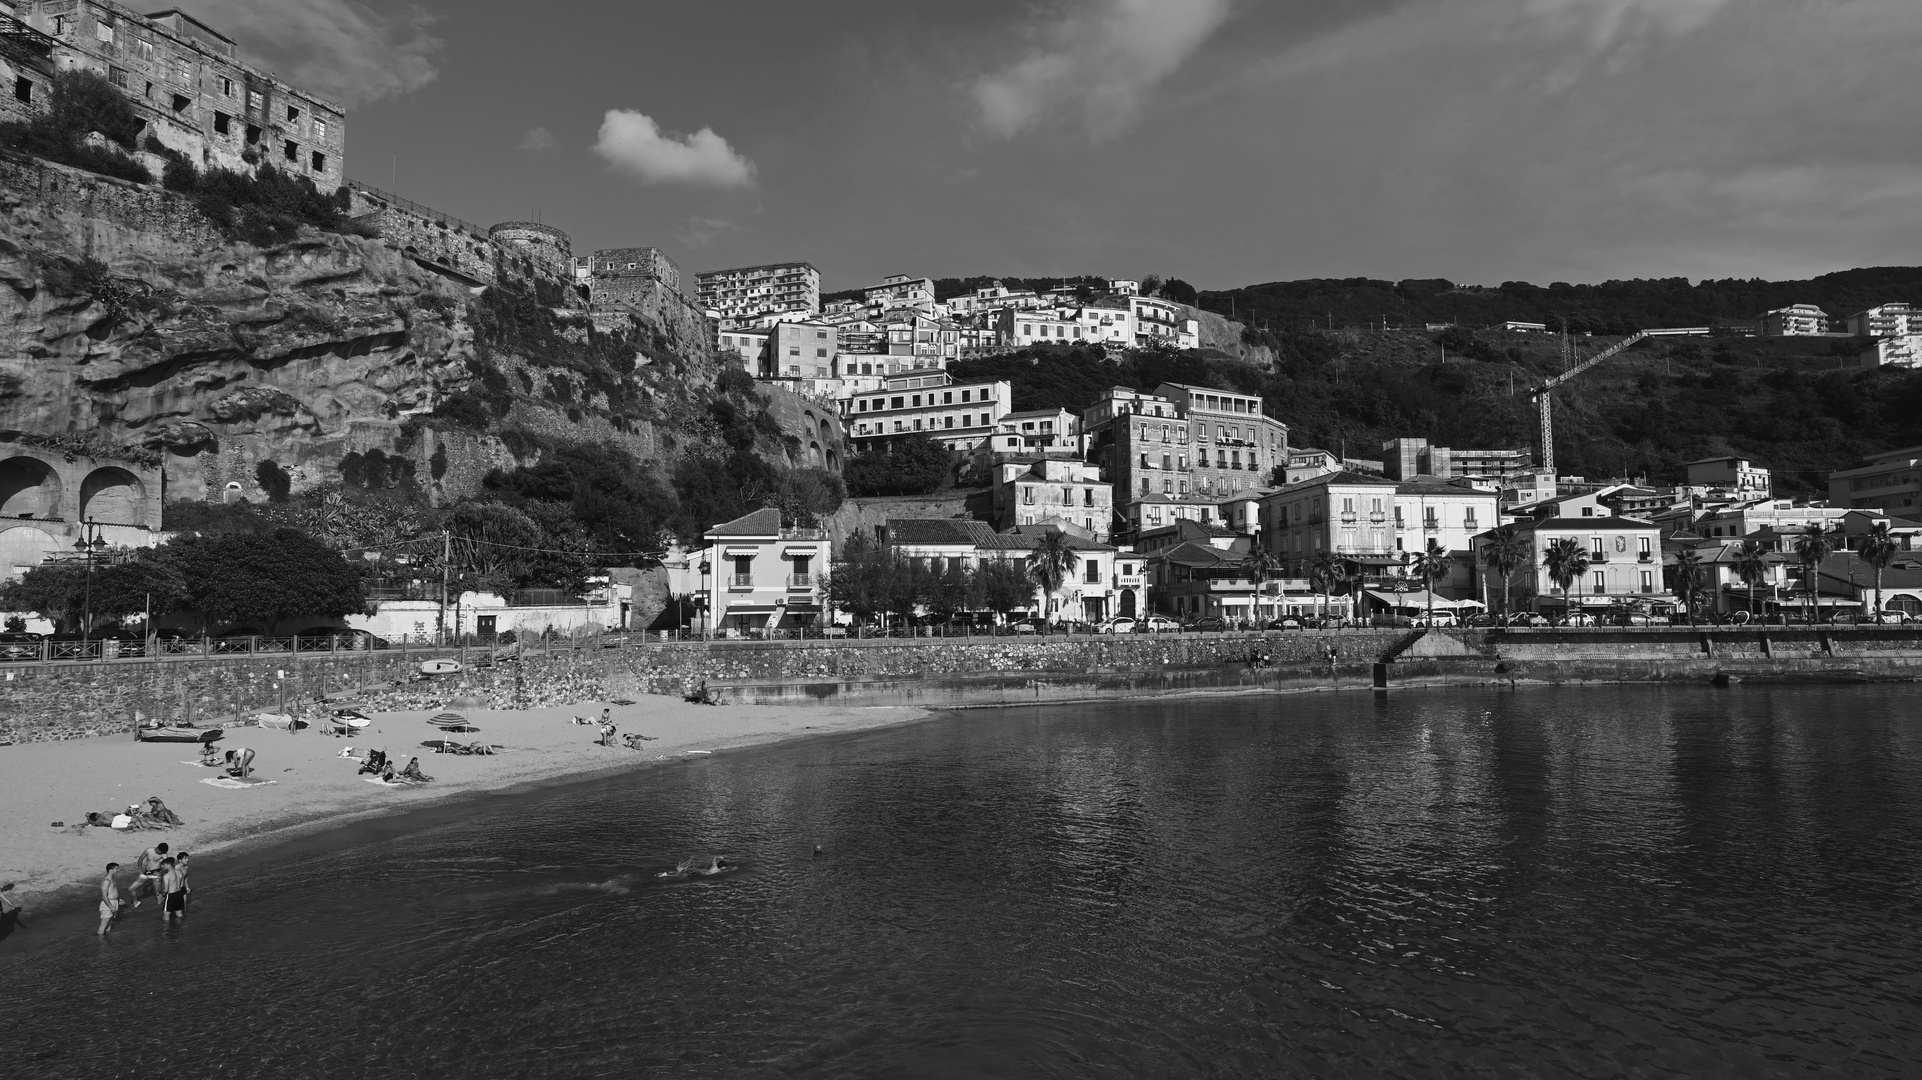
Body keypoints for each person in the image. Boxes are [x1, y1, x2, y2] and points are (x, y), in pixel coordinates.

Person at [98, 863, 124, 936]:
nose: (118, 870)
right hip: (108, 904)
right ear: (110, 870)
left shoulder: (112, 879)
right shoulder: (106, 881)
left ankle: (107, 938)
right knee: (104, 923)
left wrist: (118, 899)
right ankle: (101, 942)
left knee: (109, 922)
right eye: (116, 869)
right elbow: (104, 896)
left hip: (114, 902)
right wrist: (110, 906)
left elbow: (112, 891)